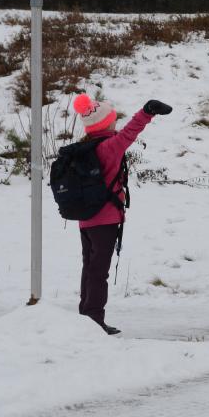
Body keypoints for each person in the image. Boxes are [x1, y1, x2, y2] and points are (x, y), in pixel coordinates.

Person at [71, 93, 172, 335]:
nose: (116, 123)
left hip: (86, 220)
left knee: (89, 268)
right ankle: (94, 320)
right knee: (98, 272)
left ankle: (85, 319)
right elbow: (130, 132)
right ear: (105, 123)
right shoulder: (109, 147)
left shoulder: (85, 148)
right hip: (105, 220)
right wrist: (147, 111)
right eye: (113, 120)